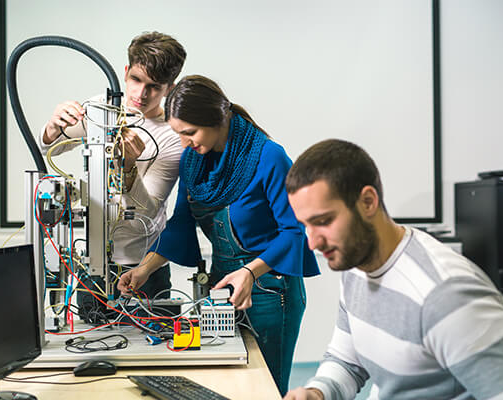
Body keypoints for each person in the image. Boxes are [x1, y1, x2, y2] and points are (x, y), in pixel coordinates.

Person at [117, 75, 320, 395]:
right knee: (226, 386)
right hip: (222, 289)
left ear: (216, 119)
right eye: (178, 134)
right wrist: (144, 269)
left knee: (265, 390)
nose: (184, 143)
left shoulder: (269, 156)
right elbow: (181, 223)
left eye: (189, 133)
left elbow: (294, 232)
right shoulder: (192, 160)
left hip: (270, 292)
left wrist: (250, 272)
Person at [283, 139, 503, 400]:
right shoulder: (354, 267)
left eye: (323, 221)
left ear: (368, 202)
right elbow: (347, 361)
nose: (313, 242)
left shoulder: (448, 296)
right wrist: (317, 394)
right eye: (306, 225)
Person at [37, 32, 186, 305]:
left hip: (144, 270)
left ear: (169, 88)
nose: (141, 94)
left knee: (151, 347)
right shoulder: (99, 110)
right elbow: (48, 150)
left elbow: (147, 211)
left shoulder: (172, 135)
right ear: (126, 72)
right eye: (136, 80)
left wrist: (129, 167)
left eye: (154, 86)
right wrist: (52, 127)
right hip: (91, 266)